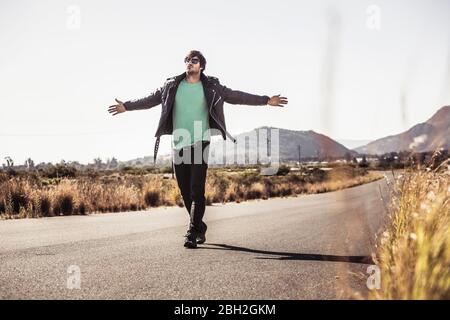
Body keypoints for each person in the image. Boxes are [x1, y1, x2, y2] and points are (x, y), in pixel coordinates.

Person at [108, 50, 288, 248]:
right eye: (186, 60)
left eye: (194, 60)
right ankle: (199, 226)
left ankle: (192, 233)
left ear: (201, 65)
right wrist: (127, 106)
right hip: (179, 144)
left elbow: (236, 96)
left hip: (200, 141)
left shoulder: (211, 86)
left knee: (196, 190)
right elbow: (150, 99)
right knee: (184, 192)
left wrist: (265, 100)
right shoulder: (172, 85)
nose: (189, 63)